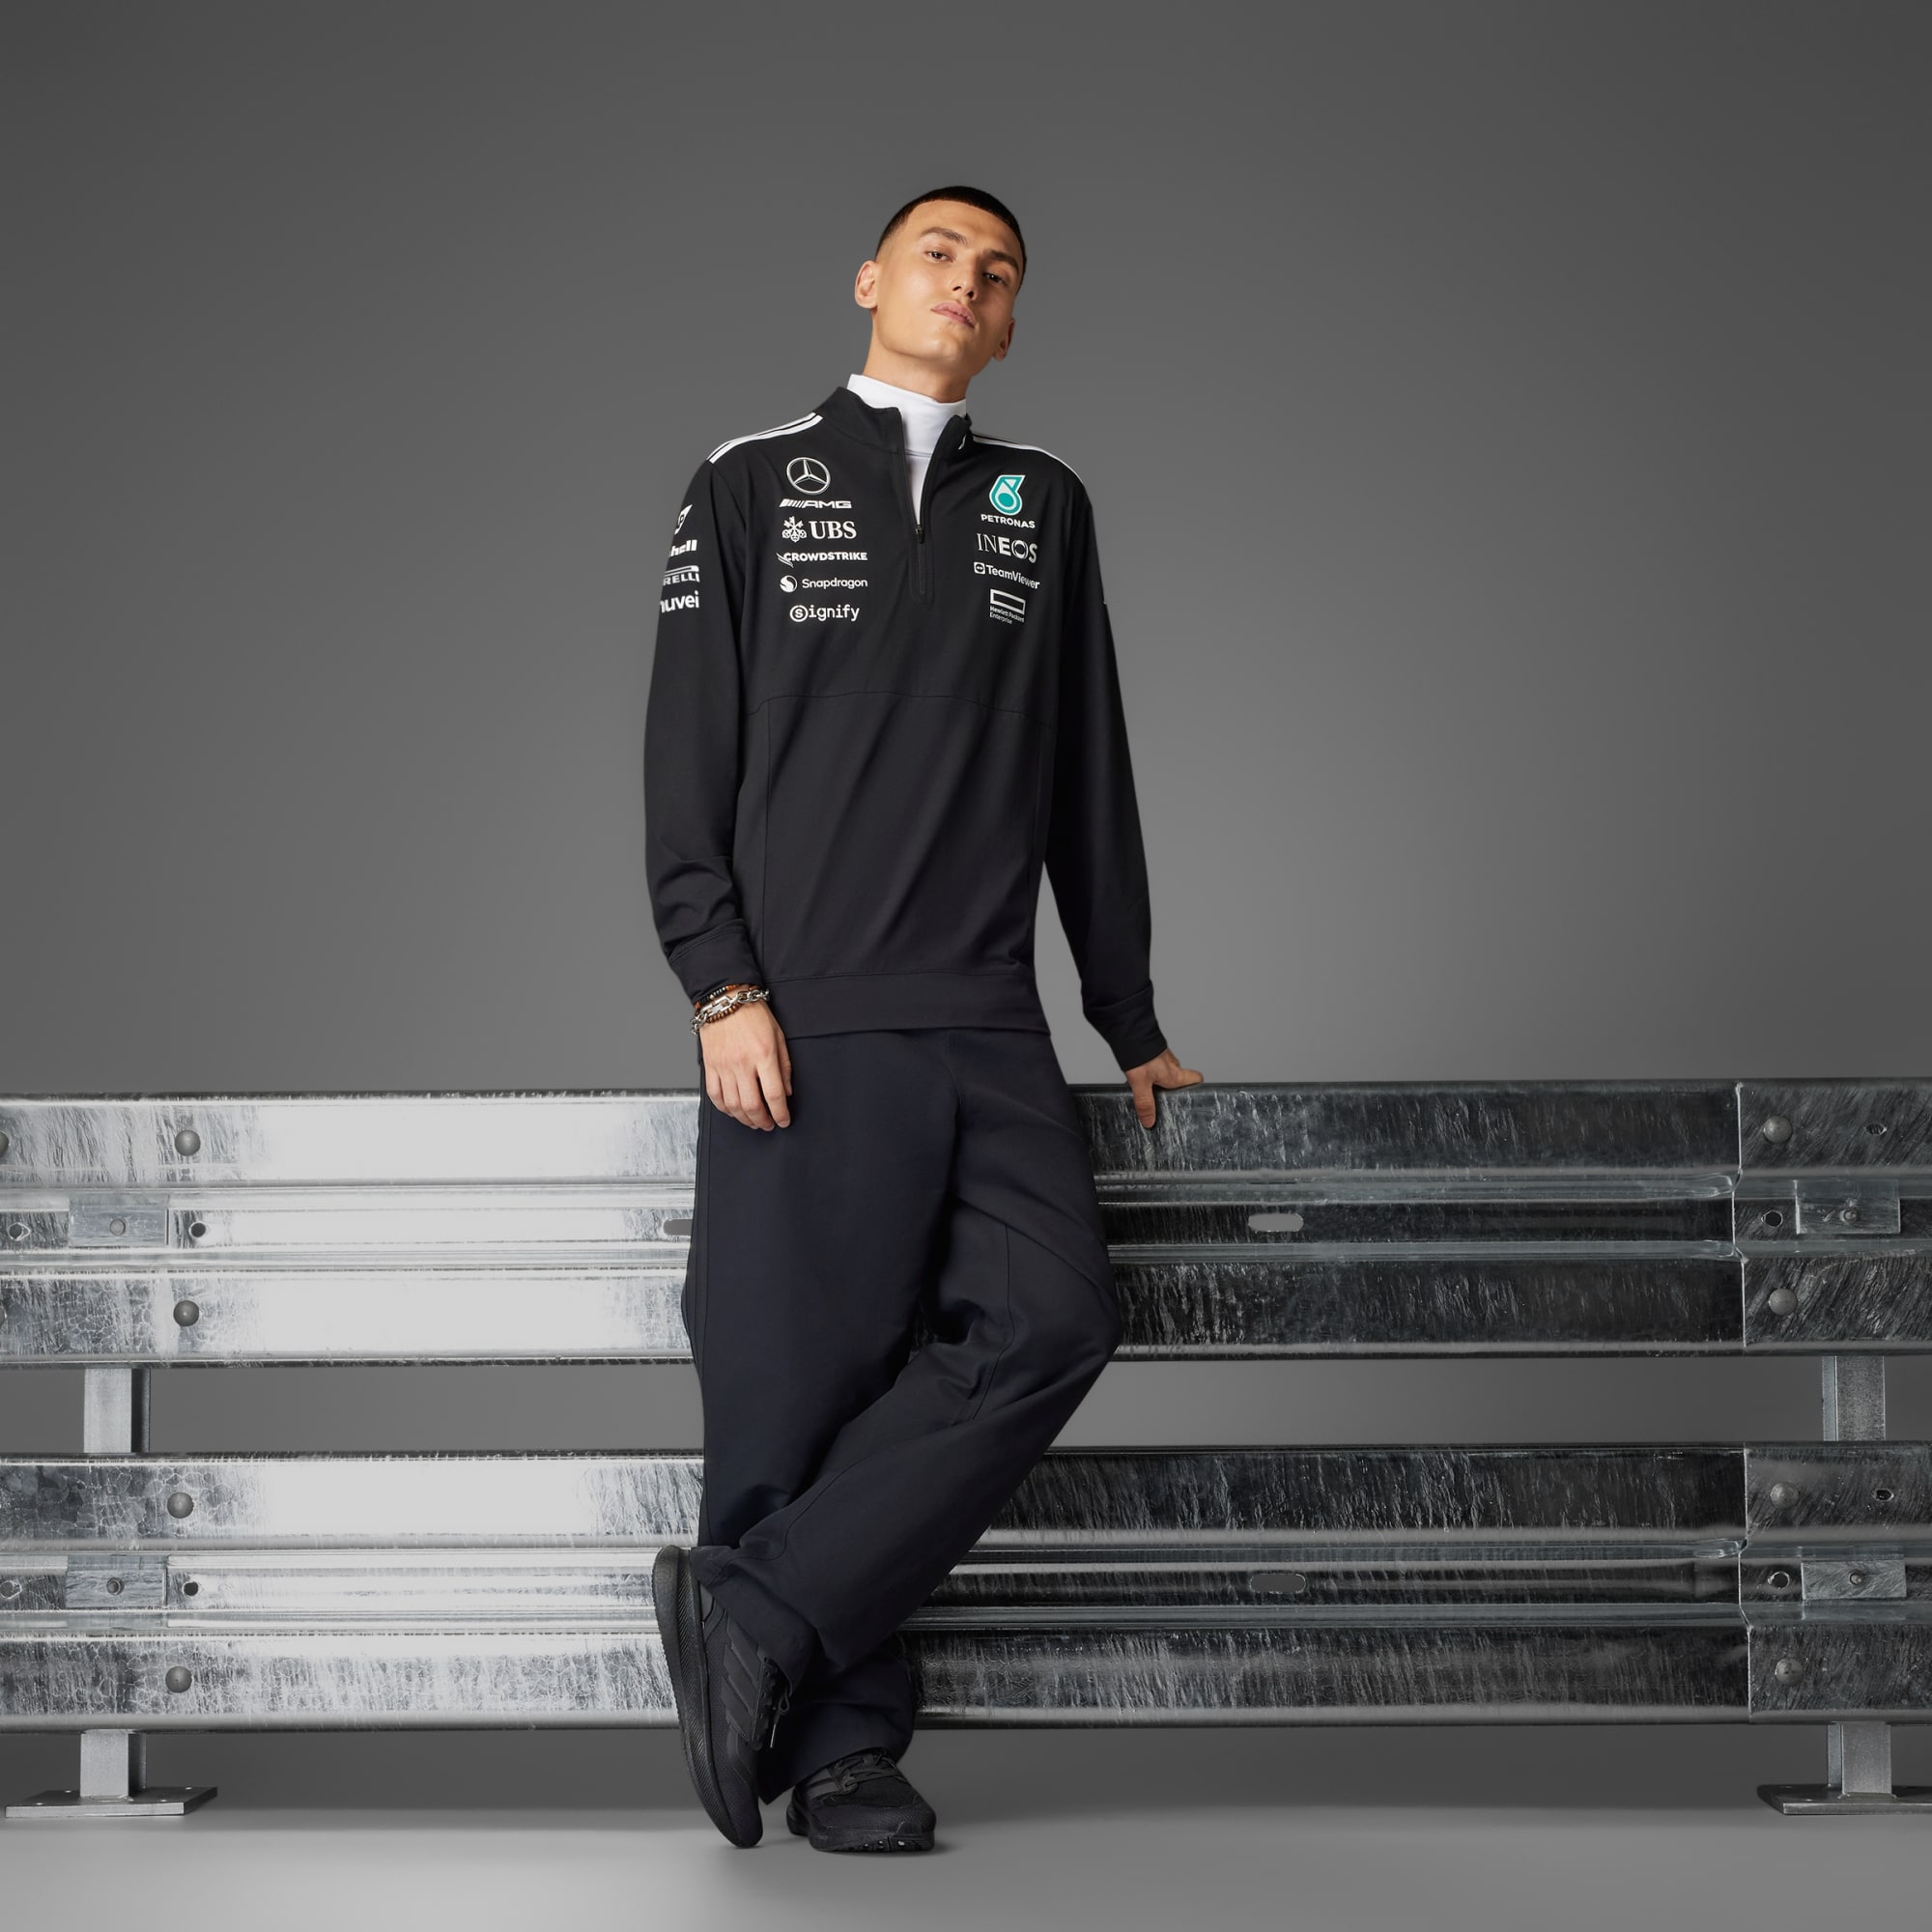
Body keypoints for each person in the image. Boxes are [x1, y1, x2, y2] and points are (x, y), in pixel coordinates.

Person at [642, 185, 1201, 1854]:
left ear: (1010, 325)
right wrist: (721, 985)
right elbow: (685, 759)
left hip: (988, 1016)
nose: (968, 281)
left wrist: (1126, 1010)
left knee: (1053, 1319)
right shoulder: (747, 481)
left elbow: (1087, 767)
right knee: (798, 1379)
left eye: (999, 273)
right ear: (872, 279)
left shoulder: (1045, 503)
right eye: (940, 254)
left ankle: (754, 1610)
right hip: (803, 1013)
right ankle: (843, 1754)